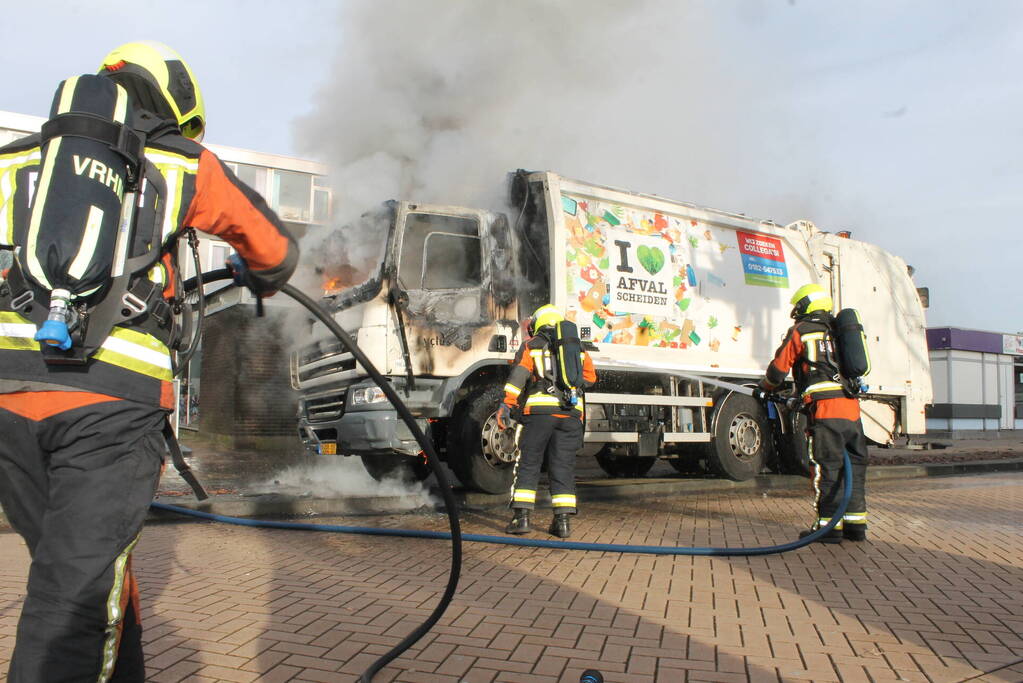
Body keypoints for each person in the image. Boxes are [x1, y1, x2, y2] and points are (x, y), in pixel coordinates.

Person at [0, 41, 299, 682]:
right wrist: (256, 271)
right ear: (172, 105)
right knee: (72, 601)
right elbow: (274, 249)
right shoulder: (181, 162)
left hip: (9, 404)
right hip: (110, 408)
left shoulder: (17, 161)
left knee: (87, 568)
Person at [758, 283, 868, 544]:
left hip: (826, 412)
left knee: (827, 467)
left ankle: (827, 529)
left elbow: (778, 370)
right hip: (851, 411)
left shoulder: (802, 331)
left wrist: (764, 389)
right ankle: (856, 526)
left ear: (805, 305)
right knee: (853, 468)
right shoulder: (839, 332)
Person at [498, 304, 596, 538]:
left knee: (529, 464)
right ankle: (562, 524)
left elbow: (518, 376)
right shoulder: (577, 347)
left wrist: (507, 403)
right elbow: (591, 378)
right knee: (562, 467)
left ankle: (521, 520)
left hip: (539, 415)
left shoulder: (531, 346)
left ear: (537, 324)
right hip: (570, 415)